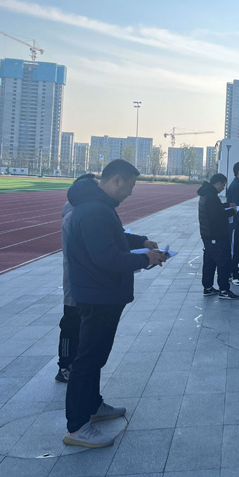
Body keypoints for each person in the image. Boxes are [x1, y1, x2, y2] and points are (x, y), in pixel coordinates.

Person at [63, 159, 167, 448]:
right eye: (130, 186)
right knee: (87, 360)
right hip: (97, 296)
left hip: (101, 294)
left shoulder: (98, 206)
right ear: (116, 180)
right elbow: (106, 257)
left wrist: (141, 241)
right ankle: (77, 427)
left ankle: (93, 406)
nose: (131, 192)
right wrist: (145, 260)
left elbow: (114, 238)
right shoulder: (95, 210)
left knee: (96, 356)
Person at [55, 173, 97, 383]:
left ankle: (73, 364)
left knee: (79, 325)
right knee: (70, 325)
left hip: (82, 281)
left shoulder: (79, 213)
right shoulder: (72, 216)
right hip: (74, 281)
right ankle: (64, 366)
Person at [197, 173, 239, 299]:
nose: (223, 188)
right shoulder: (211, 196)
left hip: (208, 235)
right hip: (215, 235)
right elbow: (217, 216)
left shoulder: (207, 193)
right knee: (223, 262)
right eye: (223, 185)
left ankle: (208, 288)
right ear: (218, 183)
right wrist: (233, 211)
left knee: (209, 262)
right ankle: (224, 290)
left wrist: (227, 205)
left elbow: (216, 209)